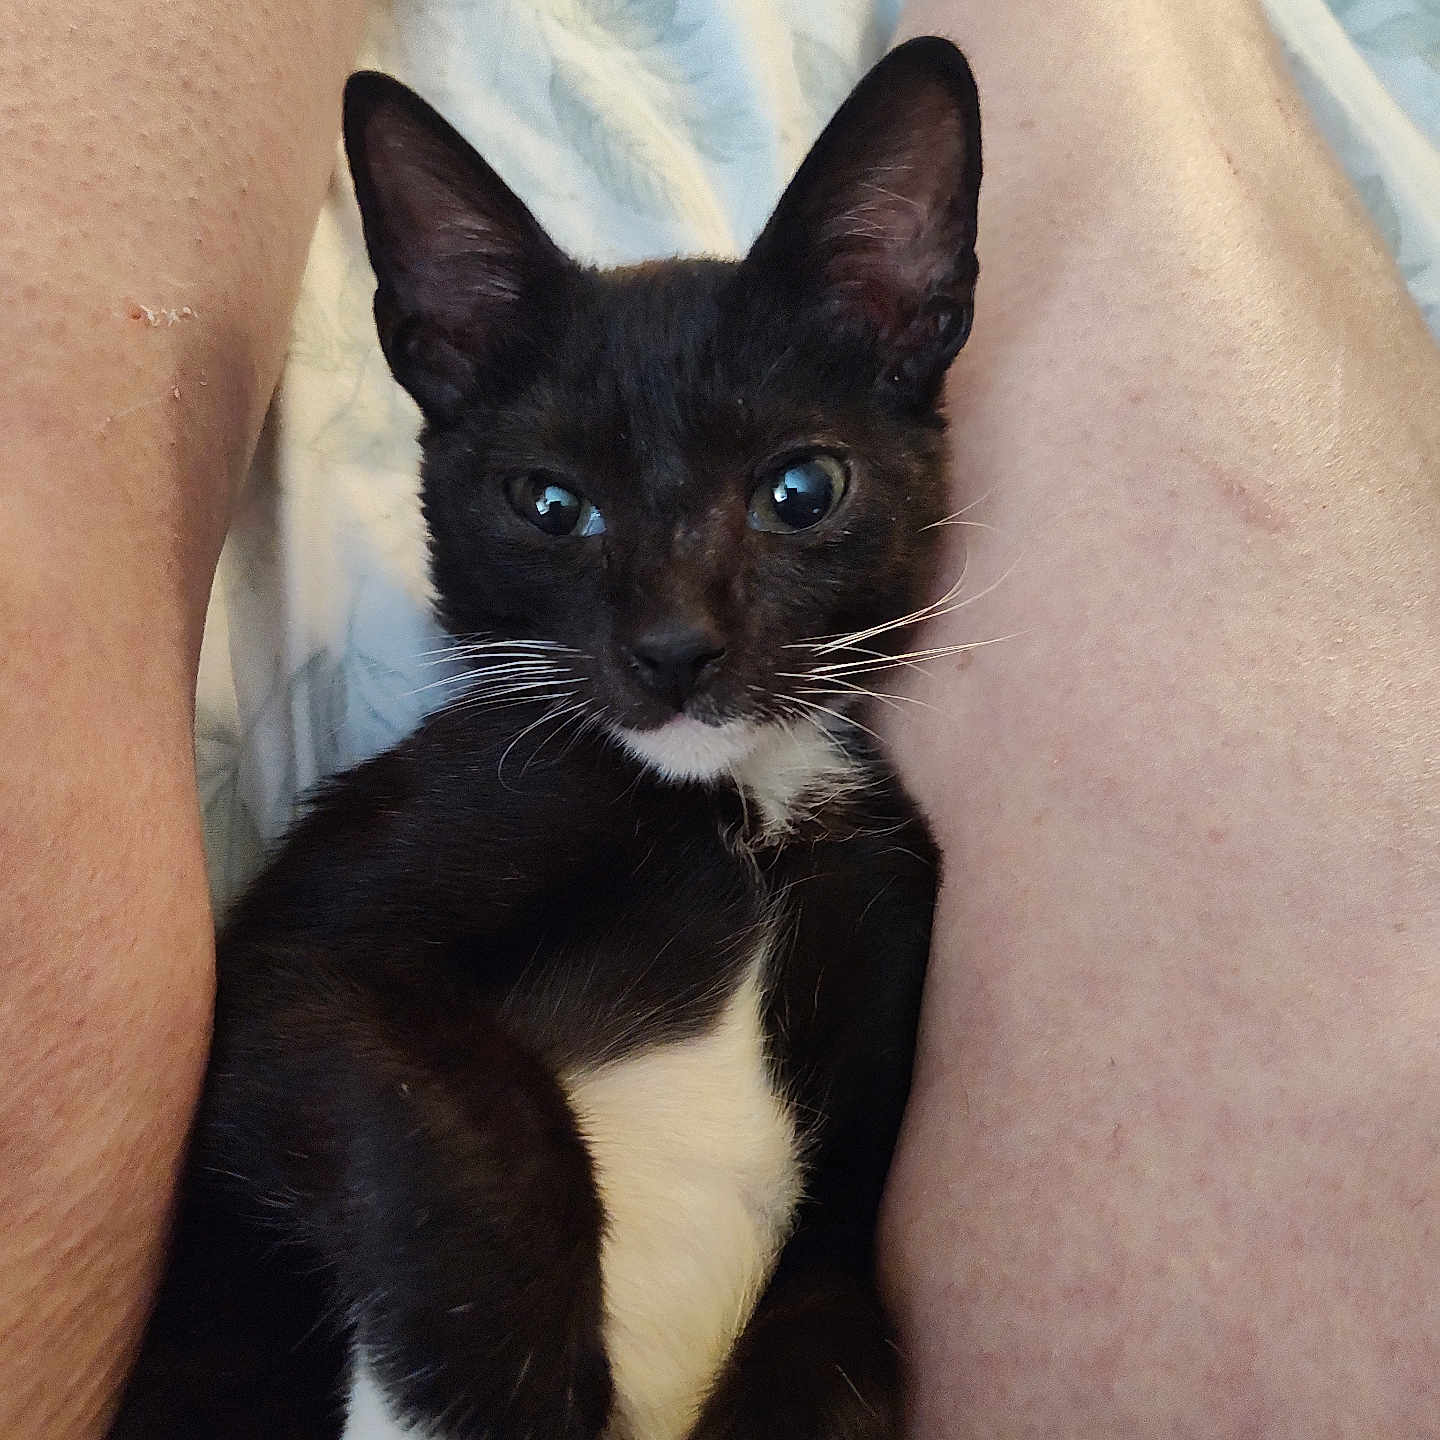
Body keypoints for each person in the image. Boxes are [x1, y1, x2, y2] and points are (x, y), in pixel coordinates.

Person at [2, 2, 1436, 1437]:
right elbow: (302, 1009)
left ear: (911, 330)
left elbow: (833, 1253)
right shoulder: (515, 769)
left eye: (797, 497)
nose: (677, 628)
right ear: (439, 358)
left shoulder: (883, 860)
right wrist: (499, 1254)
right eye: (556, 508)